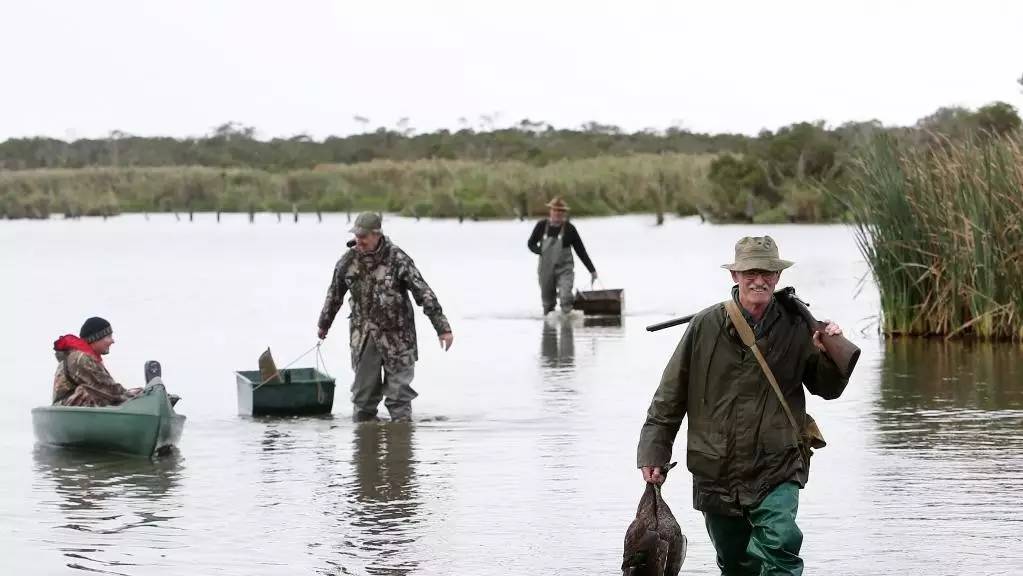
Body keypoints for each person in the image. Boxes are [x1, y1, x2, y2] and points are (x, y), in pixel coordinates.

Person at [636, 236, 849, 576]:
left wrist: (829, 354)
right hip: (716, 467)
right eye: (751, 272)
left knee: (780, 550)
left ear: (777, 277)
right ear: (734, 275)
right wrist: (653, 452)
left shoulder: (799, 326)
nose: (759, 280)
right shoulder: (705, 326)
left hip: (777, 464)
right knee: (736, 562)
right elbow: (669, 397)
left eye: (767, 272)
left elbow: (827, 388)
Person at [318, 212, 453, 422]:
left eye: (363, 236)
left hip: (399, 339)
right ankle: (365, 446)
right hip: (364, 338)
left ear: (377, 234)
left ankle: (400, 448)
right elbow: (333, 296)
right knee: (363, 401)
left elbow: (423, 293)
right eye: (357, 235)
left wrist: (443, 329)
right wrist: (323, 326)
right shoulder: (347, 261)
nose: (359, 240)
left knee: (399, 399)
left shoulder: (397, 258)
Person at [51, 317, 159, 407]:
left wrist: (135, 393)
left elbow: (109, 388)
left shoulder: (86, 357)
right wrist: (138, 397)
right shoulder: (80, 358)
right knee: (87, 393)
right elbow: (104, 387)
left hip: (74, 409)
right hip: (65, 409)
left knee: (126, 394)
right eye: (108, 336)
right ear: (96, 338)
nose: (112, 341)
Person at [526, 197, 598, 315]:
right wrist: (541, 251)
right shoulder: (541, 225)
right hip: (546, 269)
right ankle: (549, 330)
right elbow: (531, 244)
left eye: (561, 211)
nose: (558, 213)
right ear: (550, 211)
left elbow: (581, 251)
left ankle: (567, 325)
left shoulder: (570, 228)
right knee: (548, 304)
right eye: (555, 210)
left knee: (565, 297)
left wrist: (592, 271)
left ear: (564, 213)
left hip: (565, 269)